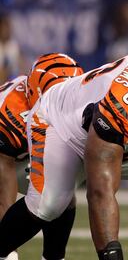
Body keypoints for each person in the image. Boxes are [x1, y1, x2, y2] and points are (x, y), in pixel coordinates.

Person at [0, 40, 128, 260]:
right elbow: (100, 192)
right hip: (61, 129)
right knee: (48, 205)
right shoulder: (121, 106)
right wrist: (111, 255)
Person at [0, 54, 83, 260]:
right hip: (6, 157)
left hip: (23, 153)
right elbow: (4, 194)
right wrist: (9, 250)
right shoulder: (10, 115)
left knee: (61, 186)